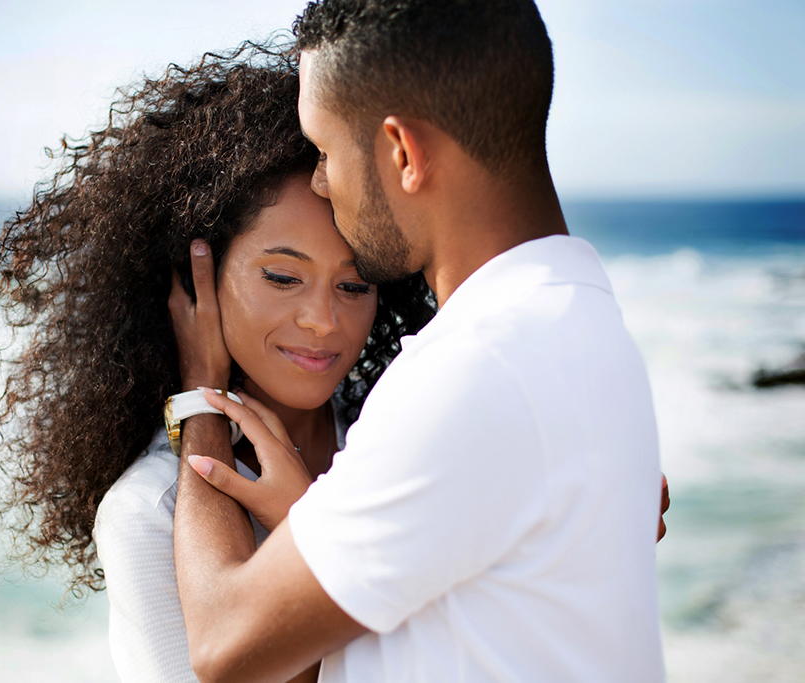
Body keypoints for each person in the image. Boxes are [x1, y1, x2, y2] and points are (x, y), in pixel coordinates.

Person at [169, 1, 668, 682]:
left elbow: (224, 644)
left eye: (325, 151)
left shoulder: (475, 371)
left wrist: (201, 399)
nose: (320, 181)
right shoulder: (586, 326)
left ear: (403, 152)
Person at [0, 43, 434, 683]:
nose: (323, 320)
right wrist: (304, 538)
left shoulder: (401, 444)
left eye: (354, 285)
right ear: (197, 278)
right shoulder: (148, 512)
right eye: (282, 277)